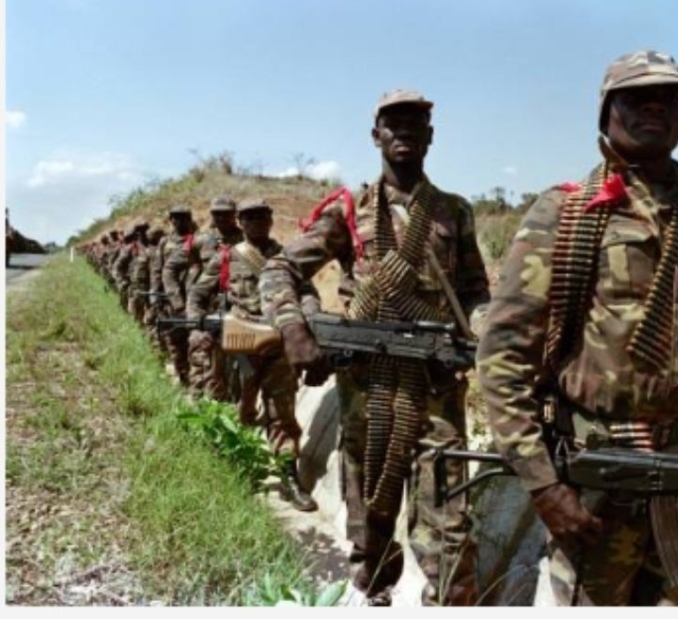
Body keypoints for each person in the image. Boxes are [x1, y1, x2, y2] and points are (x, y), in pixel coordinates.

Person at [475, 50, 678, 606]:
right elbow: (503, 361)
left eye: (669, 96)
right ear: (607, 113)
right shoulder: (564, 213)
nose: (654, 105)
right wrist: (544, 485)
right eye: (635, 96)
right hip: (597, 488)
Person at [259, 89, 490, 606]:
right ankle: (374, 598)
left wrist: (483, 330)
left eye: (416, 122)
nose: (404, 129)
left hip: (436, 391)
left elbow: (476, 290)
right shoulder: (349, 211)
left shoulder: (454, 212)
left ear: (431, 135)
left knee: (450, 529)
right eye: (394, 121)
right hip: (368, 391)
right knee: (369, 523)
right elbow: (281, 269)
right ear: (376, 135)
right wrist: (297, 325)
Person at [188, 198, 320, 511]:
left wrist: (308, 320)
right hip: (240, 346)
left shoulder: (287, 258)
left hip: (277, 346)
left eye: (262, 216)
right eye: (249, 218)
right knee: (237, 410)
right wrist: (196, 326)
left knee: (282, 414)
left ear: (271, 220)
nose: (256, 222)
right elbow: (197, 294)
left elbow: (308, 293)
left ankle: (288, 477)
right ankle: (231, 473)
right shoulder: (227, 257)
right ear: (241, 222)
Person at [167, 196, 244, 400]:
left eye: (226, 214)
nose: (221, 218)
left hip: (241, 310)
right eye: (216, 214)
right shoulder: (201, 241)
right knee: (200, 358)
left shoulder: (248, 241)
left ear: (234, 215)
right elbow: (171, 267)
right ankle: (199, 408)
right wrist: (179, 303)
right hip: (207, 311)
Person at [159, 206, 198, 387]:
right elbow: (161, 270)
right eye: (176, 218)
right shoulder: (165, 242)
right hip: (173, 300)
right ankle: (183, 377)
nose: (180, 221)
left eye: (183, 217)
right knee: (177, 341)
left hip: (196, 298)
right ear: (171, 220)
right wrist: (165, 297)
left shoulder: (199, 240)